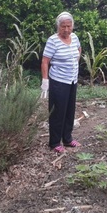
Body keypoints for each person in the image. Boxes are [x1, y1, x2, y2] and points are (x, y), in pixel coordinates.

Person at [41, 11, 82, 154]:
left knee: (70, 110)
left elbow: (78, 50)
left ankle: (68, 138)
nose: (66, 29)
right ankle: (54, 142)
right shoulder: (53, 40)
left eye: (69, 26)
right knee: (58, 112)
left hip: (72, 80)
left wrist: (73, 64)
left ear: (72, 26)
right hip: (58, 81)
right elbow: (45, 61)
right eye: (63, 26)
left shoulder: (75, 38)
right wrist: (45, 81)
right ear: (58, 27)